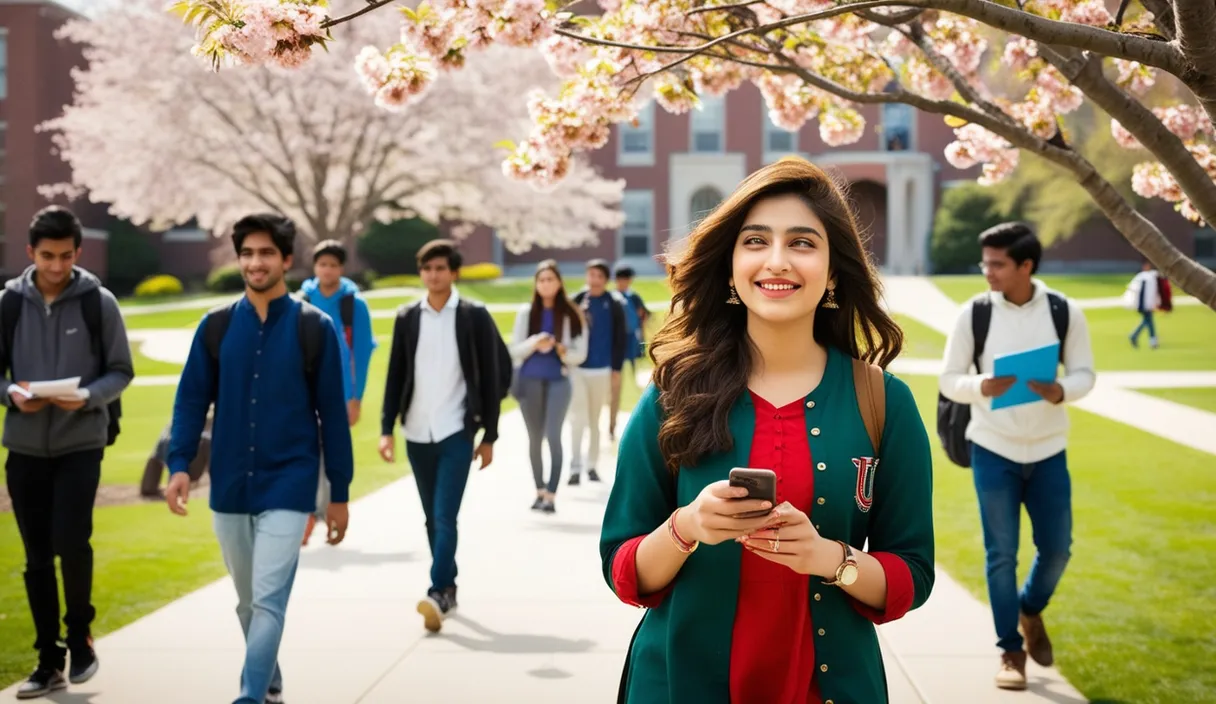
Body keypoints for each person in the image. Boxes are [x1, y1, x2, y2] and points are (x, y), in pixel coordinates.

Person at [601, 157, 935, 703]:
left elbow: (912, 575)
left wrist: (830, 559)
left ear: (832, 271)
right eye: (756, 241)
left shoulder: (883, 402)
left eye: (802, 243)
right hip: (676, 685)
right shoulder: (673, 394)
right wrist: (687, 526)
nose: (776, 260)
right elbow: (623, 568)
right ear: (731, 266)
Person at [164, 213, 354, 704]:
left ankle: (249, 696)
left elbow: (333, 417)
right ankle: (269, 679)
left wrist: (339, 494)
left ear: (287, 260)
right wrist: (180, 464)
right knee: (248, 602)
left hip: (290, 482)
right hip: (230, 481)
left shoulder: (316, 327)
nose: (255, 262)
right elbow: (189, 401)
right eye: (247, 253)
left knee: (269, 597)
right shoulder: (216, 327)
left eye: (266, 252)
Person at [939, 221, 1095, 691]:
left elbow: (1085, 373)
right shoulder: (974, 314)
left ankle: (1030, 609)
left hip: (1049, 451)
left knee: (1057, 551)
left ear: (1026, 266)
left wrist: (1061, 389)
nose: (987, 271)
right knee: (1000, 555)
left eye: (997, 263)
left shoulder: (1064, 311)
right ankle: (1010, 651)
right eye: (986, 262)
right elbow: (949, 379)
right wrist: (980, 385)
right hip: (993, 448)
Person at [0, 206, 134, 699]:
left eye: (65, 256)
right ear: (30, 253)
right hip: (25, 446)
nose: (56, 266)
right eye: (46, 256)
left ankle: (81, 638)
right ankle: (47, 660)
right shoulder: (8, 304)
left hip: (81, 442)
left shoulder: (99, 303)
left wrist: (87, 397)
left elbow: (121, 370)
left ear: (78, 253)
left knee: (71, 543)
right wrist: (10, 393)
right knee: (36, 558)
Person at [380, 239, 502, 633]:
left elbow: (493, 375)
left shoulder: (473, 316)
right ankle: (448, 586)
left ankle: (435, 590)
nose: (433, 275)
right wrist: (386, 428)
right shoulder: (407, 317)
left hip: (456, 430)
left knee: (445, 514)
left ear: (454, 273)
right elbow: (395, 374)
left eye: (440, 268)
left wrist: (489, 435)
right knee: (431, 519)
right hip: (416, 430)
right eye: (427, 268)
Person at [297, 239, 377, 545]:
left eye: (333, 264)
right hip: (304, 392)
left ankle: (325, 510)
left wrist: (355, 397)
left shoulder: (353, 304)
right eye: (322, 264)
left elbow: (362, 352)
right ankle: (306, 514)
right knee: (305, 452)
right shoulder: (302, 299)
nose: (327, 270)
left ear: (341, 268)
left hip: (341, 392)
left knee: (332, 455)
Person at [508, 260, 587, 513]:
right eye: (541, 280)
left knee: (553, 435)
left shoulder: (572, 314)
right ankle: (539, 490)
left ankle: (551, 494)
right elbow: (513, 351)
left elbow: (580, 354)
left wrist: (562, 350)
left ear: (559, 282)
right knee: (534, 438)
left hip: (559, 381)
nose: (545, 284)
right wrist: (534, 343)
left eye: (550, 279)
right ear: (536, 284)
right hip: (529, 381)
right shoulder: (525, 312)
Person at [568, 259, 627, 485]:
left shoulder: (613, 303)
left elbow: (620, 337)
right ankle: (574, 467)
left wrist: (616, 368)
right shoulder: (576, 301)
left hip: (602, 370)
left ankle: (591, 466)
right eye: (590, 275)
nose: (594, 280)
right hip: (578, 370)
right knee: (577, 419)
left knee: (595, 419)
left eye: (599, 276)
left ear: (605, 279)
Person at [608, 265, 649, 440]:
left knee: (634, 379)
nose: (625, 282)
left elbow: (643, 315)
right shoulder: (612, 298)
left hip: (632, 344)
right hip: (616, 346)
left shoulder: (633, 297)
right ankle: (613, 423)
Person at [140, 414, 213, 498]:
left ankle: (149, 486)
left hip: (168, 442)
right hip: (188, 447)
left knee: (160, 451)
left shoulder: (177, 419)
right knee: (206, 444)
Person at [1126, 259, 1167, 349]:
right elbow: (1146, 293)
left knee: (1148, 321)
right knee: (1148, 321)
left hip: (1145, 304)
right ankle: (1145, 339)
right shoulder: (1145, 278)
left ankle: (1150, 340)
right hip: (1144, 304)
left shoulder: (1145, 277)